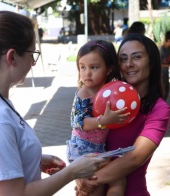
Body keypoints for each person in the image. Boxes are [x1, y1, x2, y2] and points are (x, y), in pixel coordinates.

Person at [0, 11, 108, 196]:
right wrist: (73, 171)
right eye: (32, 54)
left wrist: (34, 159)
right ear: (12, 57)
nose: (33, 64)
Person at [75, 34, 170, 195]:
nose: (129, 64)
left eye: (137, 57)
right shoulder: (104, 94)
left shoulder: (159, 109)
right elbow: (82, 133)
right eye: (123, 58)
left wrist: (89, 181)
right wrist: (77, 173)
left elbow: (134, 158)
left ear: (152, 62)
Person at [66, 40, 130, 195]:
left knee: (118, 180)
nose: (87, 73)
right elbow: (77, 122)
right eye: (82, 67)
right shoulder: (84, 93)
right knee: (94, 187)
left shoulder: (111, 90)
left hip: (98, 148)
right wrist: (104, 121)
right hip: (82, 149)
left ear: (109, 69)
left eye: (94, 67)